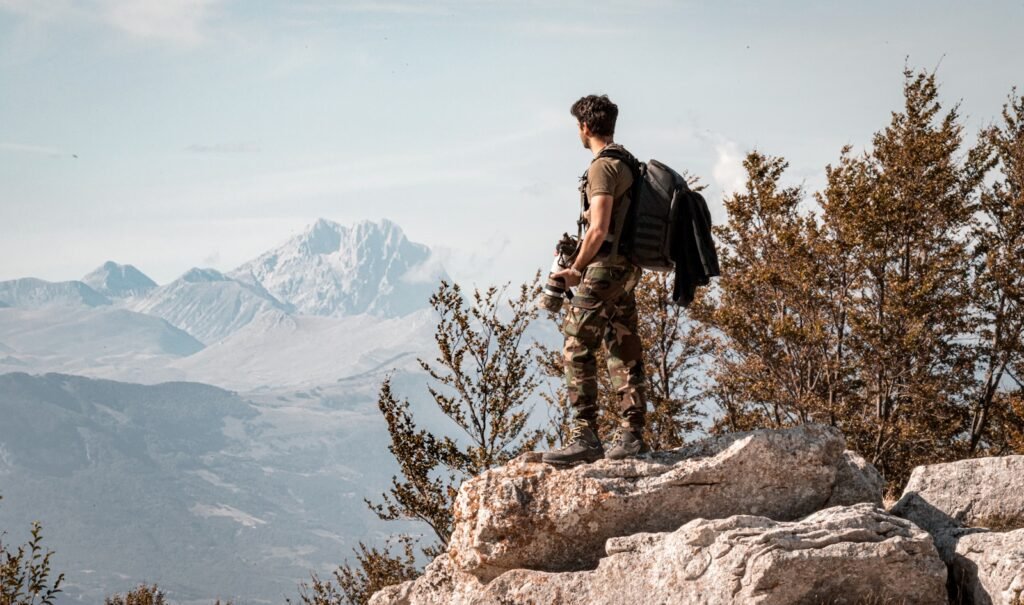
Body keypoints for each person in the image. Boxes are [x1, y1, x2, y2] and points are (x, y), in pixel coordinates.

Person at [541, 94, 649, 466]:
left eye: (577, 126)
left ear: (585, 127)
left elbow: (600, 227)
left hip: (604, 267)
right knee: (623, 344)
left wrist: (575, 268)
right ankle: (632, 434)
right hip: (627, 268)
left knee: (577, 341)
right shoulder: (629, 163)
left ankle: (584, 436)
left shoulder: (603, 167)